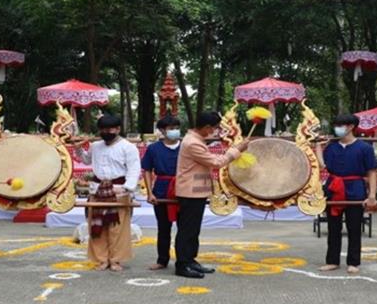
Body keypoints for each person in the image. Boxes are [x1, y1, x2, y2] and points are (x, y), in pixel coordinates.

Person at [174, 111, 249, 279]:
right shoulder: (193, 143)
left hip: (196, 192)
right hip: (189, 193)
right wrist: (236, 150)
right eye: (214, 128)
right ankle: (182, 265)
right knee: (187, 230)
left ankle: (190, 260)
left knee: (193, 230)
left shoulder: (197, 140)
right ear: (207, 127)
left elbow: (211, 158)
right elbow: (216, 162)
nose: (215, 132)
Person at [78, 114, 142, 272]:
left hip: (119, 191)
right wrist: (78, 147)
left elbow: (134, 169)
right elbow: (86, 160)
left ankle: (116, 260)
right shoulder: (95, 146)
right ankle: (101, 259)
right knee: (97, 225)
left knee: (117, 227)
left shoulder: (128, 147)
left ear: (118, 129)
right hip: (98, 190)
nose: (106, 132)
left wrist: (126, 188)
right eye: (102, 129)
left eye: (109, 129)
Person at [320, 113, 377, 273]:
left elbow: (372, 171)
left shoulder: (364, 148)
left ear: (351, 127)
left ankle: (354, 262)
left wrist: (372, 195)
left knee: (354, 227)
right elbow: (323, 165)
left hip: (355, 189)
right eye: (336, 125)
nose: (337, 129)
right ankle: (332, 260)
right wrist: (319, 146)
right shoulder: (331, 147)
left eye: (341, 125)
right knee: (333, 227)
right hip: (334, 188)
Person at [142, 116, 182, 270]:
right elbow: (147, 170)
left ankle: (184, 259)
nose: (174, 131)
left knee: (184, 227)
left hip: (182, 188)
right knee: (163, 227)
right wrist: (150, 193)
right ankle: (162, 260)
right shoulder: (153, 149)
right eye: (170, 128)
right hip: (162, 188)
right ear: (162, 131)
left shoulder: (186, 146)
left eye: (176, 127)